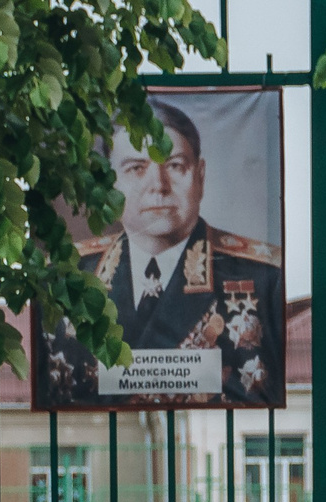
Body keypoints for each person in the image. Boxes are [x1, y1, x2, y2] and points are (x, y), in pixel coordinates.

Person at [41, 99, 284, 406]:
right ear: (108, 182)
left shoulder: (262, 277)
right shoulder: (68, 277)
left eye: (175, 166)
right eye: (136, 168)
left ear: (201, 176)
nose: (159, 185)